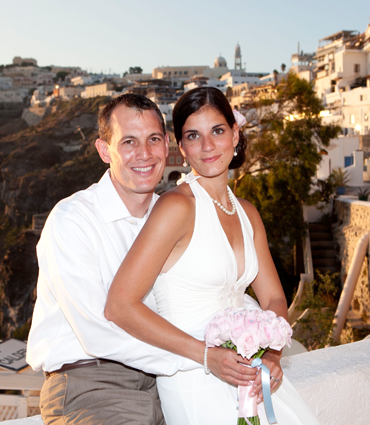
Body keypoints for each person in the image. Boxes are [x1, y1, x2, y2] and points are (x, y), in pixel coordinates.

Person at [105, 87, 320, 424]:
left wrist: (273, 352)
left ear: (235, 134)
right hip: (195, 376)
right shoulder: (175, 207)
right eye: (194, 135)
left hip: (251, 371)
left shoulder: (248, 214)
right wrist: (207, 356)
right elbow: (119, 305)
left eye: (217, 131)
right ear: (181, 147)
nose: (207, 146)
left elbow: (275, 297)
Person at [27, 93, 235, 425]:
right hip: (94, 383)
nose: (145, 154)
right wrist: (201, 357)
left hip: (164, 381)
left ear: (167, 145)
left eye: (154, 139)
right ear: (104, 150)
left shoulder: (173, 218)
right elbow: (97, 331)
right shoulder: (73, 220)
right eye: (128, 142)